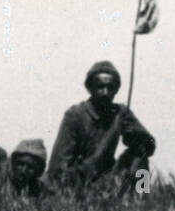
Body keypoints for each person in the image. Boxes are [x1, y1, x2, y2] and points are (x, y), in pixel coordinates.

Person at [46, 60, 156, 189]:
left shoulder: (120, 113)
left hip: (108, 180)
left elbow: (149, 146)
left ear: (116, 89)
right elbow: (58, 167)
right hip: (78, 182)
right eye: (100, 87)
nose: (105, 92)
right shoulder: (75, 115)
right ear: (90, 88)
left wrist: (138, 138)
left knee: (140, 156)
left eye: (110, 87)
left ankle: (142, 195)